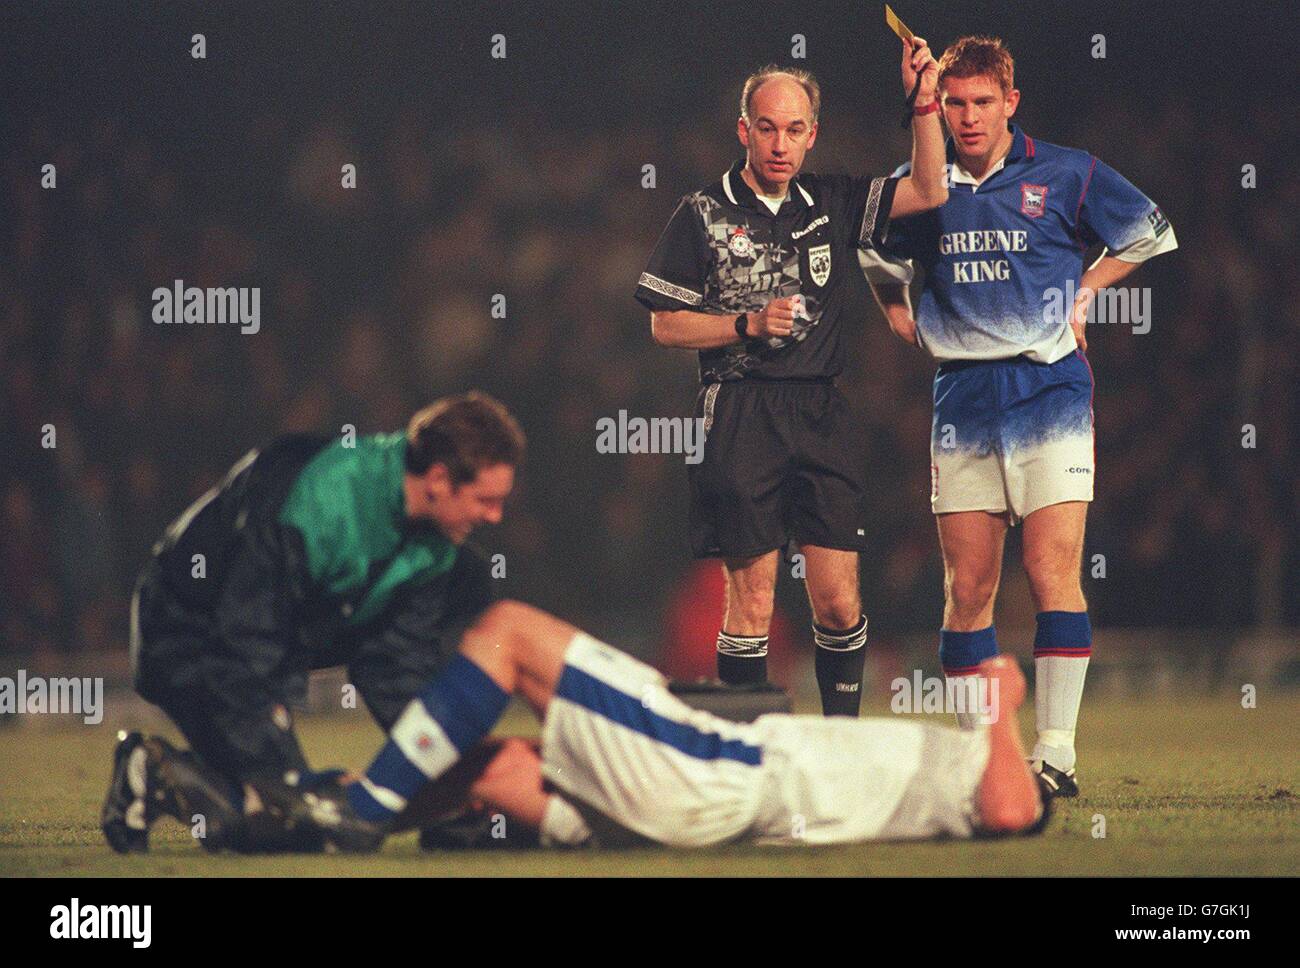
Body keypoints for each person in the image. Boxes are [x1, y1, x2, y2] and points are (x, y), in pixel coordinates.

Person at [861, 36, 1178, 796]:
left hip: (1049, 391)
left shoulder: (1065, 171)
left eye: (982, 103)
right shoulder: (916, 184)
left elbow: (1152, 229)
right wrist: (895, 310)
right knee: (966, 590)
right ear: (941, 107)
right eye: (955, 104)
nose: (968, 118)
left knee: (1050, 571)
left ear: (1010, 103)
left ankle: (1058, 755)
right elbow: (873, 252)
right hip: (962, 398)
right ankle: (988, 760)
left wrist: (1089, 288)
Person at [635, 37, 950, 716]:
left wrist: (924, 101)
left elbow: (929, 189)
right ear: (744, 130)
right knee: (750, 600)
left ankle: (839, 742)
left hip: (820, 414)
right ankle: (747, 759)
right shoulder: (702, 212)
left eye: (795, 129)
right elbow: (663, 323)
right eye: (768, 128)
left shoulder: (832, 201)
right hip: (740, 413)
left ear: (813, 135)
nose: (781, 143)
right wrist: (743, 323)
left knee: (838, 601)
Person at [101, 392, 524, 852]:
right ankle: (160, 772)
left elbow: (395, 665)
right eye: (486, 500)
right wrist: (288, 779)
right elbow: (245, 643)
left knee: (308, 821)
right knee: (301, 824)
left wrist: (452, 778)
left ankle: (176, 778)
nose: (494, 516)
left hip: (253, 642)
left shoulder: (435, 537)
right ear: (439, 478)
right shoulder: (326, 499)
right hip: (185, 632)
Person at [299, 599, 1046, 851]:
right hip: (698, 799)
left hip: (720, 772)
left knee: (509, 629)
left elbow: (1014, 811)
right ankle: (320, 812)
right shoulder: (952, 765)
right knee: (493, 769)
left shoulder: (990, 774)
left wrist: (1003, 708)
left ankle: (359, 810)